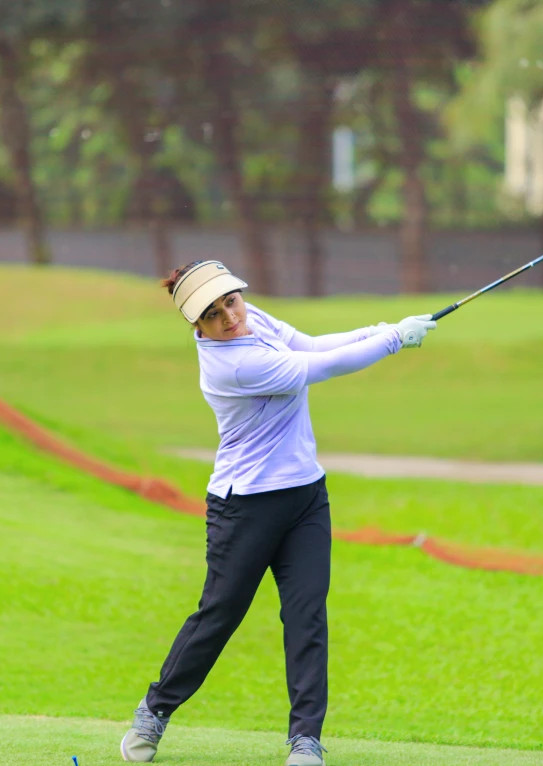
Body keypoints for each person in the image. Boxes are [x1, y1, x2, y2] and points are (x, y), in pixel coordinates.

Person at [120, 260, 436, 766]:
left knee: (307, 616)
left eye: (231, 301)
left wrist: (381, 329)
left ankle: (305, 739)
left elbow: (311, 345)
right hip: (245, 508)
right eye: (212, 314)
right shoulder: (232, 365)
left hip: (305, 497)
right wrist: (395, 339)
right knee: (220, 615)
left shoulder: (253, 320)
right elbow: (319, 368)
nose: (230, 317)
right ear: (195, 325)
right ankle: (154, 711)